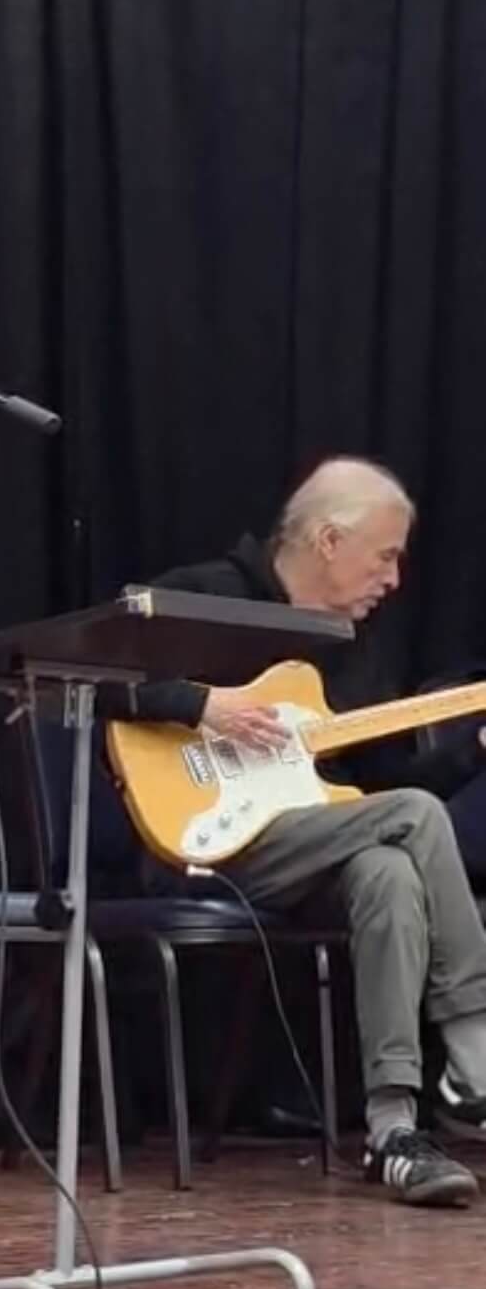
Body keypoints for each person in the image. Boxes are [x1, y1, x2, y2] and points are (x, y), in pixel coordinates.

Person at [99, 457, 486, 1207]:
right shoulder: (206, 595)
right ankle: (473, 1042)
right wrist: (202, 706)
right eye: (385, 555)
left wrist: (471, 752)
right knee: (409, 819)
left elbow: (383, 789)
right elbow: (92, 669)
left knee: (388, 872)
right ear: (329, 540)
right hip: (206, 844)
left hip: (308, 853)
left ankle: (393, 1130)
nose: (394, 579)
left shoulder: (353, 647)